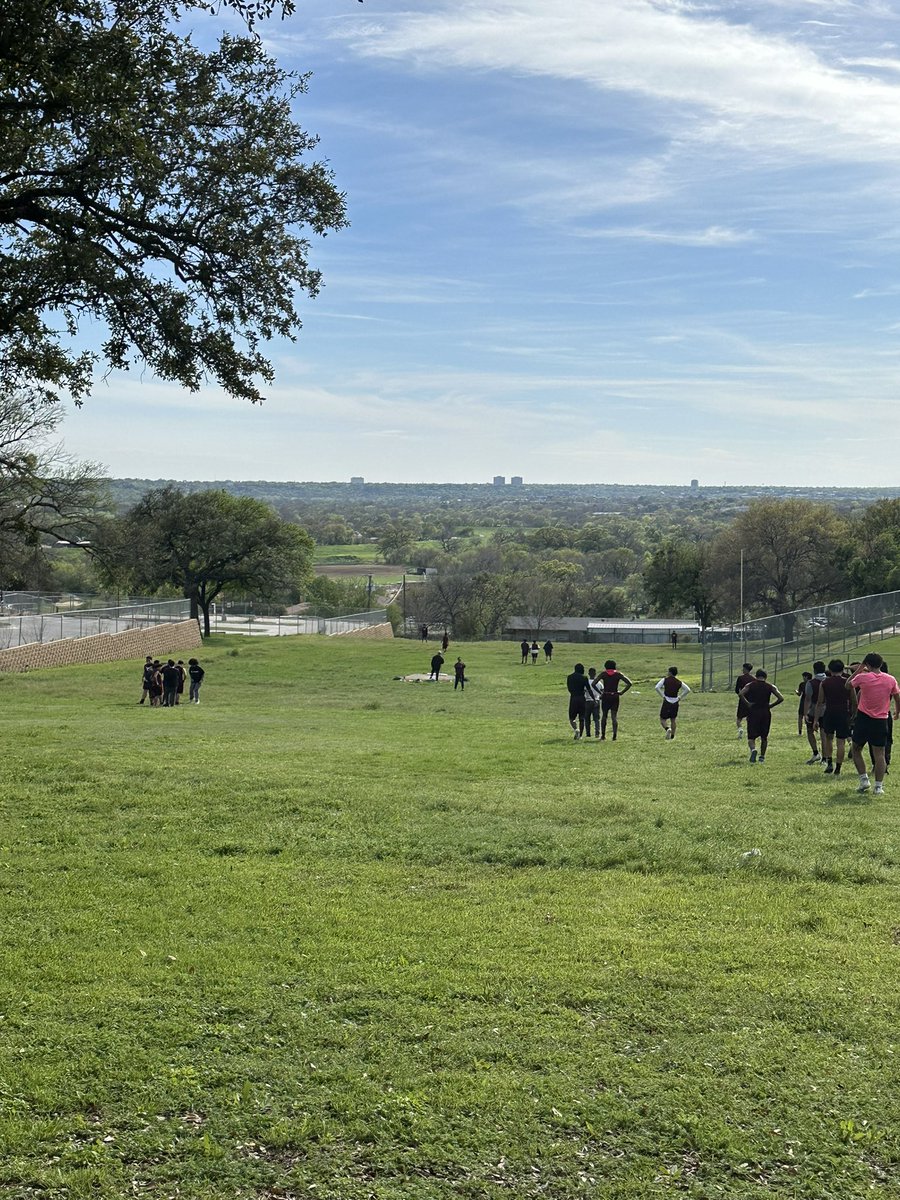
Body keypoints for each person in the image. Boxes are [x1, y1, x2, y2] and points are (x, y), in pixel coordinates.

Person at [847, 653, 900, 795]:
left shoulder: (862, 677)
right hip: (881, 719)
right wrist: (897, 712)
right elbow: (897, 696)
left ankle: (864, 779)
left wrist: (859, 669)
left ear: (867, 664)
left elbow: (847, 685)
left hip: (864, 718)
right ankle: (878, 786)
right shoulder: (890, 679)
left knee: (856, 749)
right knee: (880, 753)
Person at [814, 659, 850, 776]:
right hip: (843, 713)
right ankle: (838, 767)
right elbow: (854, 701)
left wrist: (816, 719)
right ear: (842, 669)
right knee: (841, 742)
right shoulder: (848, 682)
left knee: (829, 738)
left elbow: (820, 702)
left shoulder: (824, 683)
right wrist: (853, 714)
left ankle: (829, 762)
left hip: (829, 713)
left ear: (829, 670)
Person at [740, 669, 785, 763]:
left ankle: (753, 750)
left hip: (753, 712)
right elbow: (781, 698)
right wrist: (771, 705)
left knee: (751, 737)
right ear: (766, 677)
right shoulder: (770, 686)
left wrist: (748, 704)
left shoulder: (750, 685)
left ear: (756, 676)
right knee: (764, 737)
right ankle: (762, 757)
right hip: (765, 712)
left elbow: (741, 693)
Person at [597, 659, 633, 740]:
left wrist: (600, 692)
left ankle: (603, 735)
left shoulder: (603, 674)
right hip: (615, 696)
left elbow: (593, 683)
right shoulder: (618, 674)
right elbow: (629, 683)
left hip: (606, 695)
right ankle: (614, 736)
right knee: (614, 717)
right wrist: (622, 692)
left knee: (604, 716)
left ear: (606, 666)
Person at [656, 667, 690, 739]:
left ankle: (667, 729)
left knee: (662, 719)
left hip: (667, 701)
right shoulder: (678, 681)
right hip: (675, 702)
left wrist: (663, 696)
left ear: (670, 672)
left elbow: (657, 687)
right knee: (673, 719)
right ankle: (672, 736)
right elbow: (687, 689)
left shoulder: (665, 680)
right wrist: (680, 697)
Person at [803, 661, 827, 764]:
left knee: (810, 731)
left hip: (813, 710)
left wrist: (805, 713)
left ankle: (816, 752)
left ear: (814, 670)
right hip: (827, 710)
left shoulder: (811, 683)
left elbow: (808, 699)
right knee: (824, 734)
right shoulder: (828, 681)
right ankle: (825, 758)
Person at [566, 663, 595, 741]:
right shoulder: (584, 678)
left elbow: (569, 689)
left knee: (572, 718)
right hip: (582, 699)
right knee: (582, 718)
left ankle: (576, 729)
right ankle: (581, 735)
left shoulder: (569, 677)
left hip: (573, 698)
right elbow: (589, 689)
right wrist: (594, 699)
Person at [734, 663, 754, 738]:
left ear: (745, 669)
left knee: (739, 718)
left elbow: (737, 690)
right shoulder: (753, 679)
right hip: (751, 700)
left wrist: (740, 694)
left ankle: (740, 729)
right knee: (749, 718)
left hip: (742, 700)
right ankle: (750, 732)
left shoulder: (740, 678)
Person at [585, 668, 601, 739]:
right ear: (595, 673)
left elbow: (584, 691)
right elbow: (602, 691)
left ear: (588, 673)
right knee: (596, 719)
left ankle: (588, 733)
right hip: (596, 701)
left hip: (587, 701)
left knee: (587, 718)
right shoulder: (599, 683)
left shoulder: (586, 682)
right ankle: (597, 732)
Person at [795, 671, 812, 736]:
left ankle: (800, 732)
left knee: (800, 716)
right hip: (811, 702)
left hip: (803, 702)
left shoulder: (802, 684)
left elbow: (799, 694)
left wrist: (796, 691)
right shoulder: (812, 683)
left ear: (806, 677)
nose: (803, 678)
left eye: (804, 677)